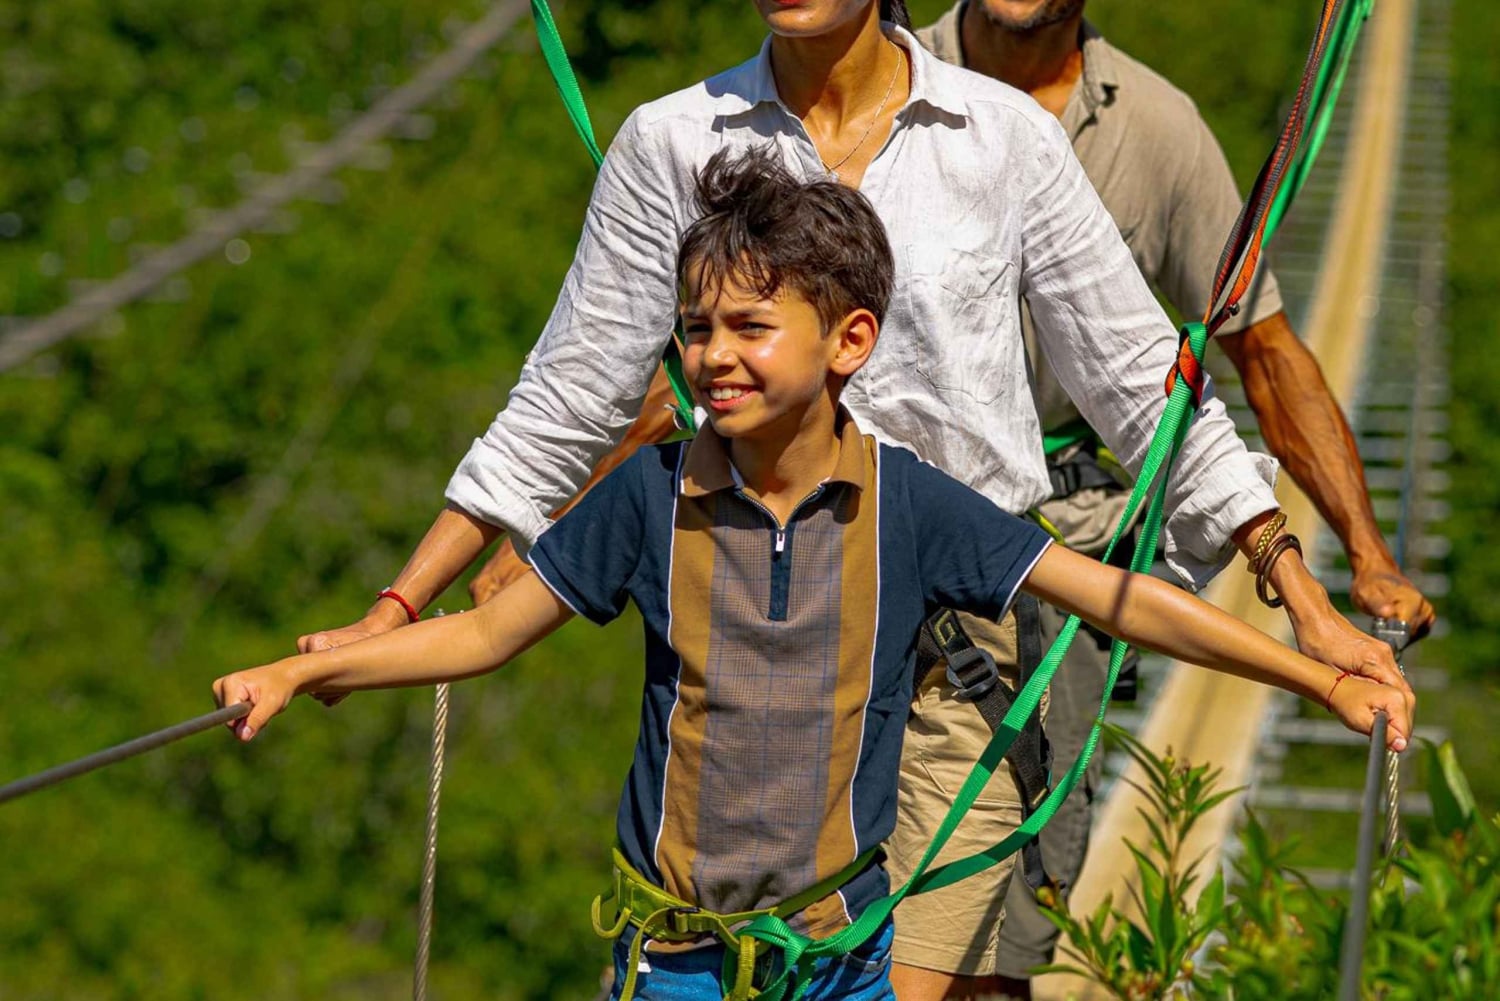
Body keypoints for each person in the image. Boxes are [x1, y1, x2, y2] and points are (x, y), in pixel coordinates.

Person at [298, 3, 1410, 997]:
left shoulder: (1000, 139)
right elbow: (565, 401)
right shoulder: (672, 142)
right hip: (763, 646)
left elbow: (1140, 382)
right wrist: (396, 609)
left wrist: (1303, 603)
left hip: (961, 644)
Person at [909, 2, 1436, 995]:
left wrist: (1364, 556)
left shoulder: (1158, 131)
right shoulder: (879, 86)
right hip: (883, 523)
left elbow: (1259, 352)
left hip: (1061, 547)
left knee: (1005, 904)